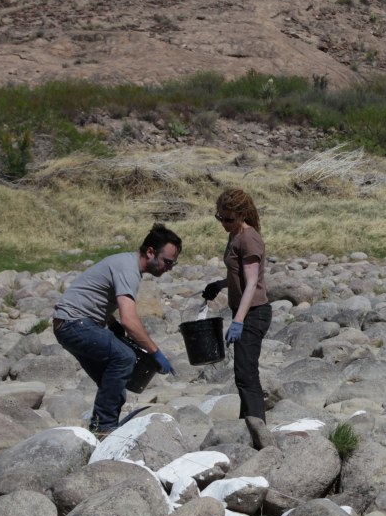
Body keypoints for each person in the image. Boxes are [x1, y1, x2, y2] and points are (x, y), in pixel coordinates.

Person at [52, 223, 181, 436]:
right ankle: (105, 429)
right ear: (150, 252)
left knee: (114, 382)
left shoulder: (124, 263)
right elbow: (130, 320)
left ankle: (99, 428)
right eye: (167, 262)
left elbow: (96, 297)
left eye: (173, 264)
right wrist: (155, 352)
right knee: (124, 358)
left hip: (70, 323)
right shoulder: (128, 268)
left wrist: (112, 326)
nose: (169, 268)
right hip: (74, 323)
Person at [202, 188, 270, 447]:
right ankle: (250, 426)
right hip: (244, 309)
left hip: (255, 312)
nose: (224, 223)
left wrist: (239, 320)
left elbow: (252, 282)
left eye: (228, 218)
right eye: (219, 217)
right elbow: (239, 276)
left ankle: (258, 434)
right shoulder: (235, 234)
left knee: (246, 373)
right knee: (243, 372)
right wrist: (220, 285)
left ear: (241, 214)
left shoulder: (248, 239)